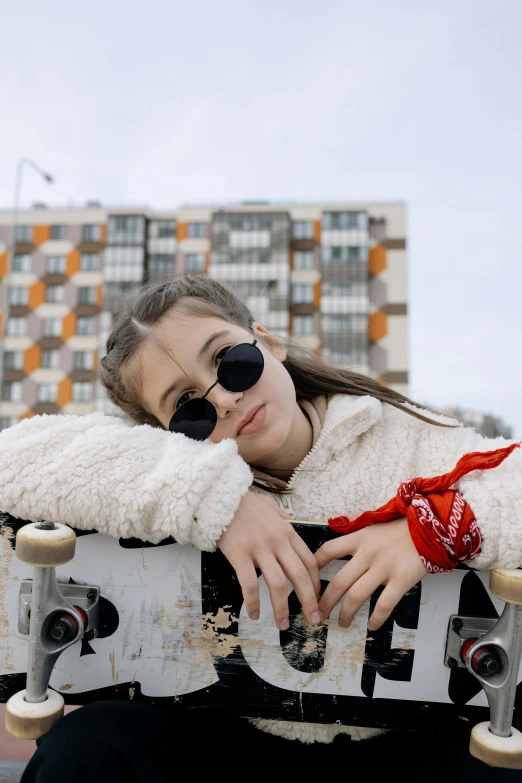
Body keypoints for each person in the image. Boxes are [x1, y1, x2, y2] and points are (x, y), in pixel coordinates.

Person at [0, 275, 520, 782]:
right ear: (162, 433)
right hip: (225, 736)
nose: (225, 400)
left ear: (268, 342)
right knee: (85, 747)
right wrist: (209, 492)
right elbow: (15, 459)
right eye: (187, 406)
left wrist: (433, 529)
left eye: (231, 361)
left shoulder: (402, 436)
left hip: (403, 741)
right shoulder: (173, 464)